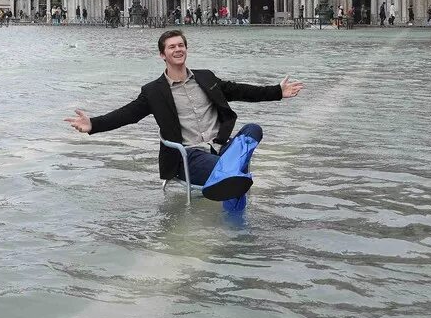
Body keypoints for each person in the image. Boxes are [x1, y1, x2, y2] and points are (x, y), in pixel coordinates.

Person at [65, 30, 304, 197]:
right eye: (172, 47)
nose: (177, 49)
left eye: (181, 45)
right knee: (222, 166)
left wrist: (277, 91)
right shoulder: (154, 91)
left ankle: (228, 174)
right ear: (162, 55)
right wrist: (93, 124)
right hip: (188, 156)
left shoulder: (206, 77)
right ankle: (229, 175)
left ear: (186, 49)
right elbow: (127, 114)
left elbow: (240, 90)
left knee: (253, 129)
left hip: (219, 146)